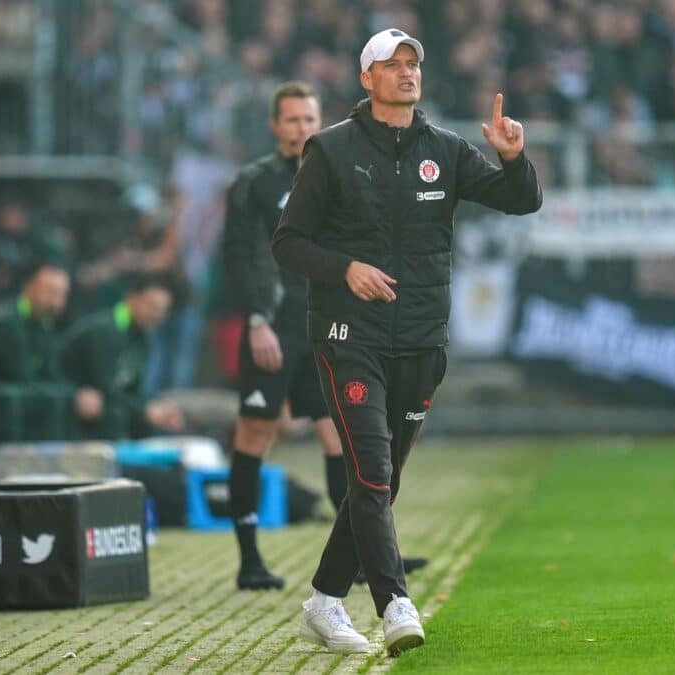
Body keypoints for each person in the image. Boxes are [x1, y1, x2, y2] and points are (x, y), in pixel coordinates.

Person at [272, 29, 542, 656]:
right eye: (390, 64)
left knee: (380, 484)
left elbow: (521, 201)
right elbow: (288, 242)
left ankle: (322, 602)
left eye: (412, 63)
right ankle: (394, 603)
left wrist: (510, 157)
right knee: (370, 473)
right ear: (366, 79)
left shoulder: (444, 149)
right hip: (349, 336)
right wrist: (346, 269)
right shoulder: (332, 150)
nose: (405, 72)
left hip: (422, 337)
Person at [221, 80, 428, 592]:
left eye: (309, 119)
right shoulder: (254, 183)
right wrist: (256, 319)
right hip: (273, 328)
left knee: (342, 440)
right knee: (255, 434)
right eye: (291, 120)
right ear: (275, 127)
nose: (301, 128)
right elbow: (240, 256)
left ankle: (362, 557)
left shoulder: (337, 171)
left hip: (324, 327)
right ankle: (249, 561)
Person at [0, 263, 102, 442]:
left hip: (21, 401)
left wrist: (78, 394)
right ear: (28, 287)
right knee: (54, 401)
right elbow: (21, 378)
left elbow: (51, 375)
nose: (54, 302)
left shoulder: (44, 326)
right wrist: (73, 397)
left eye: (61, 295)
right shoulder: (7, 325)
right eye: (49, 292)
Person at [58, 273, 184, 440]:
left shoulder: (142, 336)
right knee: (110, 410)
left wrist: (155, 407)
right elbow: (105, 390)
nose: (156, 315)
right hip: (70, 404)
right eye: (152, 306)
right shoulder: (106, 330)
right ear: (131, 298)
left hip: (104, 404)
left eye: (162, 310)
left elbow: (133, 389)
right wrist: (144, 410)